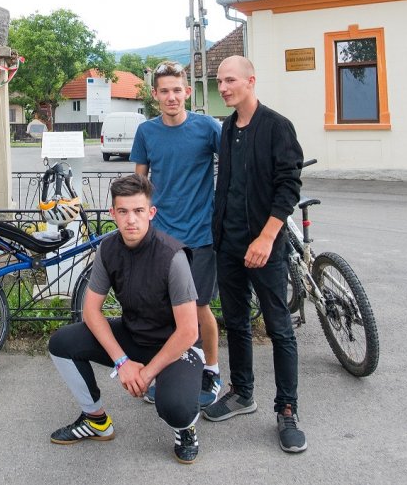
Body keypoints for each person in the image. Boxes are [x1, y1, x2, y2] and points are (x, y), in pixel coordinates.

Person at [47, 174, 203, 464]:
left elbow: (188, 331)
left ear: (151, 213)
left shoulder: (173, 257)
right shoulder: (109, 249)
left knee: (175, 407)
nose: (131, 220)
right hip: (134, 336)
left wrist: (145, 374)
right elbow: (91, 311)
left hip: (177, 347)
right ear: (113, 214)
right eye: (123, 211)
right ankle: (95, 420)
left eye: (138, 211)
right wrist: (122, 362)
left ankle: (185, 429)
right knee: (61, 343)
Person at [203, 55, 307, 454]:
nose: (224, 87)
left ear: (250, 81)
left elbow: (287, 188)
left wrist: (265, 239)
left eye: (230, 80)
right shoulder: (228, 128)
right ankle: (243, 394)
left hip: (266, 249)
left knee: (280, 329)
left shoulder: (277, 126)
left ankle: (287, 409)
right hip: (228, 245)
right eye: (220, 81)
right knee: (236, 322)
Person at [130, 60, 223, 408]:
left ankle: (211, 370)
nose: (172, 97)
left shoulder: (207, 128)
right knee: (164, 311)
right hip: (162, 239)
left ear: (187, 91)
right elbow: (138, 185)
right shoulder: (147, 132)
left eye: (177, 90)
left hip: (200, 235)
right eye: (164, 91)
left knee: (199, 308)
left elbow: (232, 168)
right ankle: (167, 370)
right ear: (155, 95)